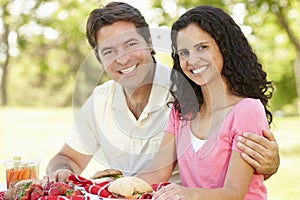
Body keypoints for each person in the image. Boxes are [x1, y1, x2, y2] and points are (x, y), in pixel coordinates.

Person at [45, 2, 279, 184]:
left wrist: (269, 164)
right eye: (109, 51)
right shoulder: (101, 99)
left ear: (150, 43)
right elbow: (68, 158)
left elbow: (229, 166)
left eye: (130, 44)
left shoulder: (190, 90)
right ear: (100, 60)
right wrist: (63, 173)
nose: (123, 58)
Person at [137, 5, 276, 200]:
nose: (192, 60)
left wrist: (186, 193)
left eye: (202, 47)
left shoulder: (247, 110)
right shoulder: (182, 111)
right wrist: (116, 184)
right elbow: (157, 173)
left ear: (224, 47)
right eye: (184, 52)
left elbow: (234, 192)